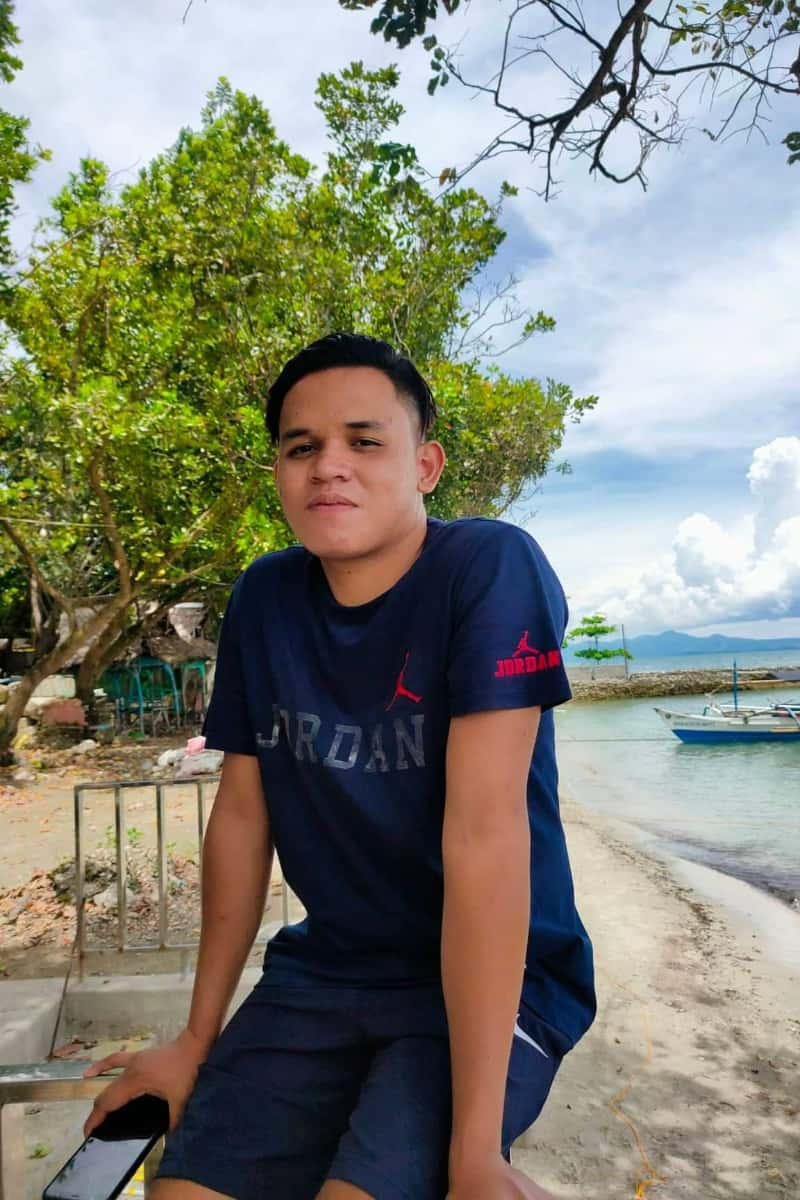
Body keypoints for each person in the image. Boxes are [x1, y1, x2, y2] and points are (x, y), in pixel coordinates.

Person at [84, 333, 595, 1200]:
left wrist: (476, 1152)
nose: (329, 466)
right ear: (279, 473)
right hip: (326, 970)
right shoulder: (265, 598)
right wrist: (195, 1039)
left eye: (364, 441)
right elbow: (242, 815)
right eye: (301, 447)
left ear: (425, 465)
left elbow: (484, 837)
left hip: (492, 982)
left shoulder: (487, 567)